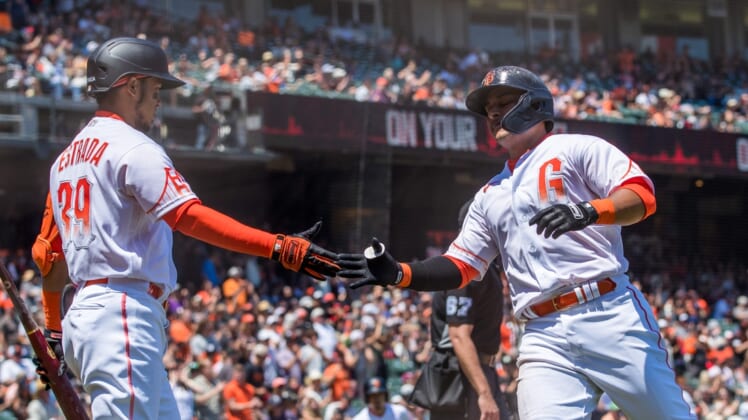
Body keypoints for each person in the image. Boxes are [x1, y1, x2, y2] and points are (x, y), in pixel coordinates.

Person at [338, 65, 696, 419]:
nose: (493, 113)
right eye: (488, 109)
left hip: (607, 310)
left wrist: (588, 211)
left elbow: (641, 196)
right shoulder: (489, 194)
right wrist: (400, 273)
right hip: (543, 333)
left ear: (535, 104)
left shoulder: (576, 147)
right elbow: (461, 265)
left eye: (503, 102)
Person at [30, 36, 340, 419]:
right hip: (120, 312)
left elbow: (49, 255)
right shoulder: (132, 147)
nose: (159, 99)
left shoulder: (64, 161)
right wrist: (277, 247)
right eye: (155, 88)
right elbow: (188, 217)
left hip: (94, 315)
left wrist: (54, 331)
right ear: (131, 86)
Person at [420, 198, 510, 420]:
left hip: (475, 374)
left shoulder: (483, 268)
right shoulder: (466, 271)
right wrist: (484, 393)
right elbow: (459, 336)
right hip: (460, 379)